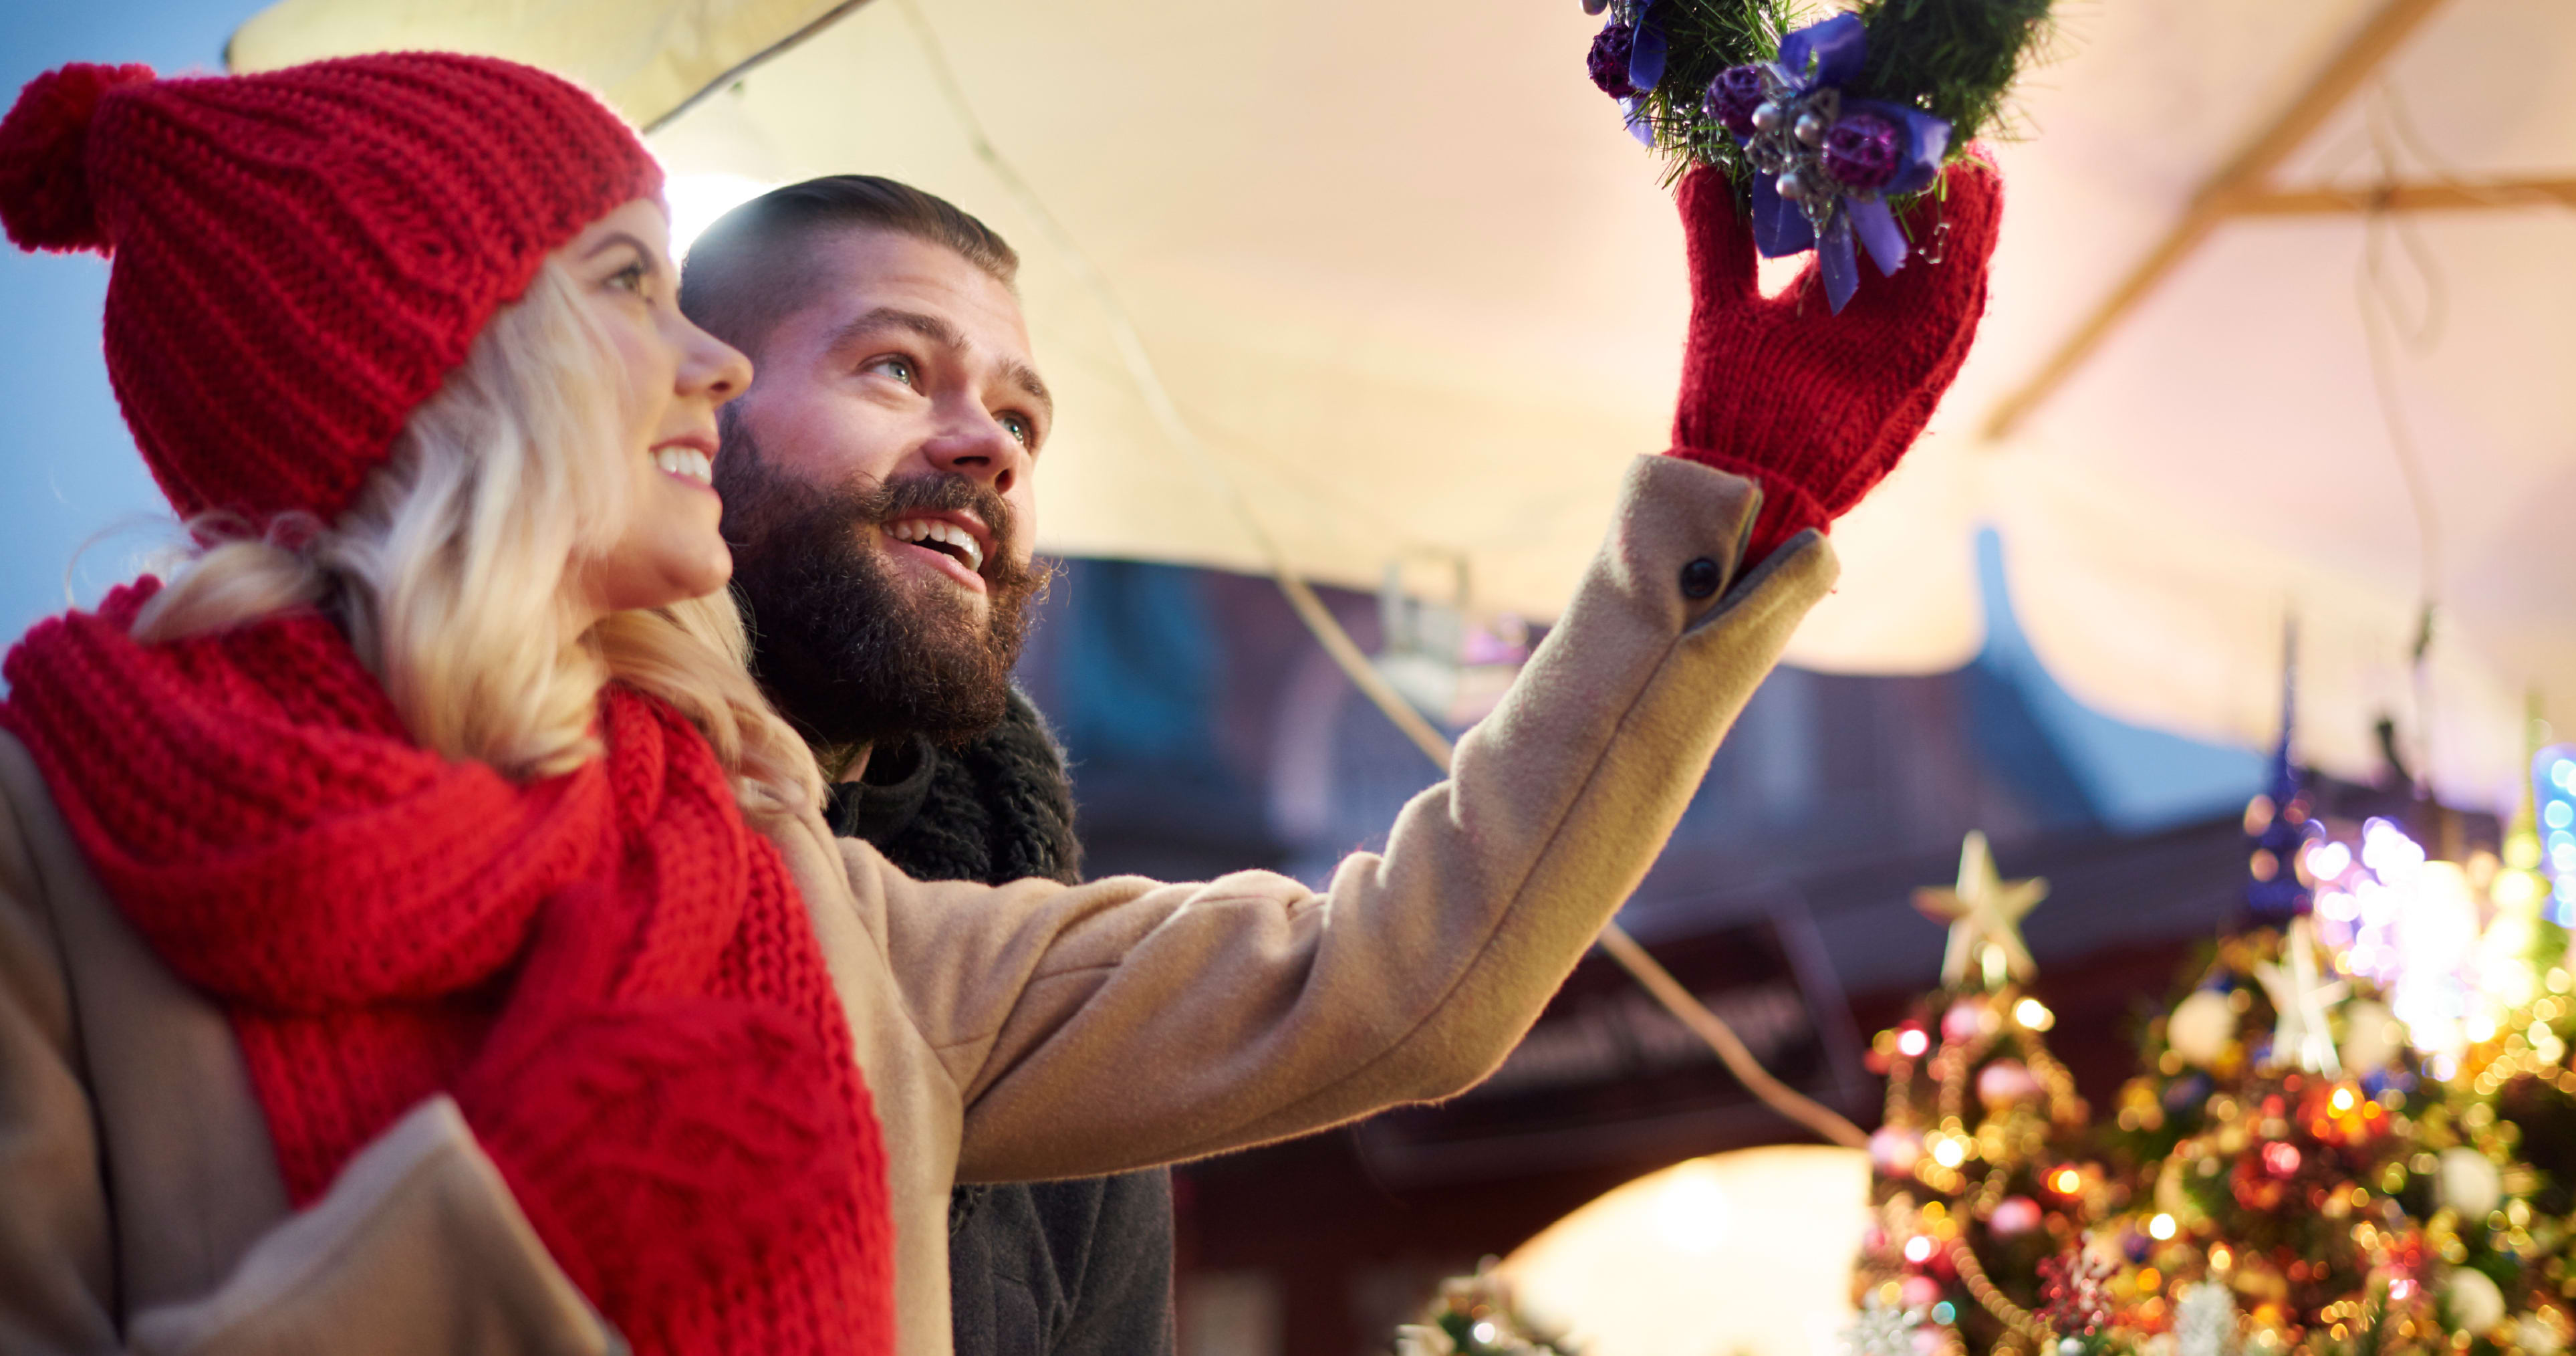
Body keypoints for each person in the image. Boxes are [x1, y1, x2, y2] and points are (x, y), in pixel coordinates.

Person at [0, 49, 1992, 1356]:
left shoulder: (794, 886)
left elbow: (1392, 977)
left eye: (1023, 409)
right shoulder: (46, 843)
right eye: (629, 288)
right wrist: (516, 1230)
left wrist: (1738, 496)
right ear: (446, 356)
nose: (688, 359)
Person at [680, 177, 1166, 1356]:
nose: (989, 449)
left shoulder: (1052, 1003)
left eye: (1023, 422)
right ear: (690, 418)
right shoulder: (492, 819)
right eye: (896, 367)